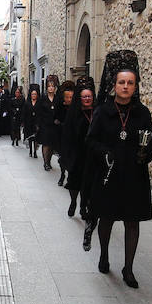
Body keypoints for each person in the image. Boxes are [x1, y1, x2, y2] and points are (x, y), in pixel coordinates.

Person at [85, 54, 152, 286]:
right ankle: (104, 254)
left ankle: (129, 268)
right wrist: (104, 152)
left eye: (130, 83)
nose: (125, 87)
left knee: (132, 222)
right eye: (121, 83)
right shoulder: (103, 112)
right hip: (109, 175)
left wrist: (146, 153)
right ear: (114, 85)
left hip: (134, 176)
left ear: (135, 87)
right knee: (106, 219)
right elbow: (91, 140)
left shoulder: (142, 113)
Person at [61, 79, 96, 220]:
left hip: (92, 155)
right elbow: (68, 134)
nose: (87, 99)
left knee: (88, 183)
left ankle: (83, 206)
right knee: (75, 181)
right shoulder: (74, 113)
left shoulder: (97, 112)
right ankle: (74, 201)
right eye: (84, 97)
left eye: (89, 96)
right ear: (79, 98)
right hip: (77, 153)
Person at [37, 76, 59, 170]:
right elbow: (39, 112)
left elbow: (60, 111)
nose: (51, 88)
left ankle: (49, 161)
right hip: (45, 125)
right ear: (46, 87)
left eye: (52, 86)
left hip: (54, 126)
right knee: (46, 144)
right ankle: (45, 163)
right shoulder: (43, 99)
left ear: (55, 88)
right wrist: (39, 124)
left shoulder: (58, 99)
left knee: (52, 145)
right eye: (49, 86)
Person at [24, 87, 42, 158]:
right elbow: (24, 113)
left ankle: (35, 152)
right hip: (29, 122)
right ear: (30, 95)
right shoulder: (27, 103)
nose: (34, 95)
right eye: (32, 94)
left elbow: (41, 113)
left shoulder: (39, 103)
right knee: (30, 138)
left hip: (36, 122)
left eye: (35, 94)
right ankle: (30, 151)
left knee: (36, 138)